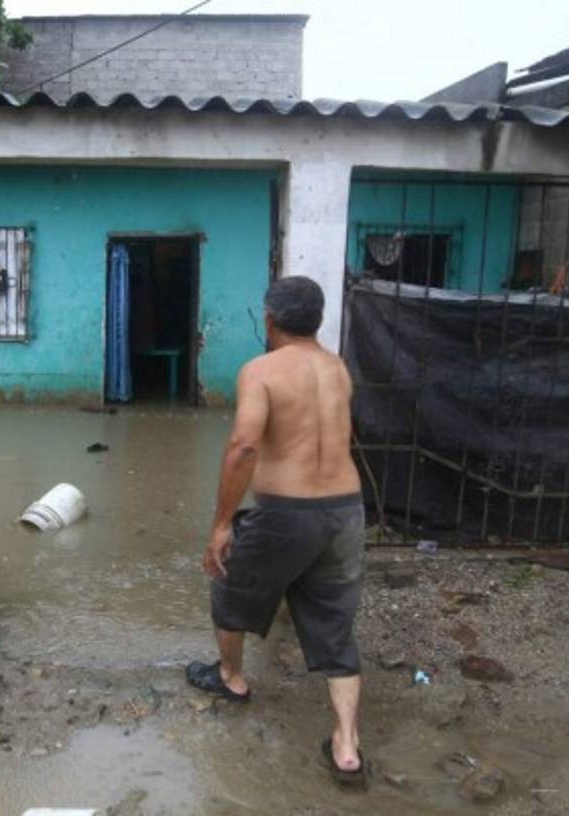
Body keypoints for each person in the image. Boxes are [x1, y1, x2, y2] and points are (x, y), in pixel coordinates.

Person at [185, 276, 368, 787]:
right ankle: (347, 747)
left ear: (269, 319)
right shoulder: (338, 369)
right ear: (318, 319)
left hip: (288, 512)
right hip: (346, 511)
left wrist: (222, 524)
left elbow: (244, 445)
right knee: (334, 623)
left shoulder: (260, 371)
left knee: (229, 583)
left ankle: (232, 680)